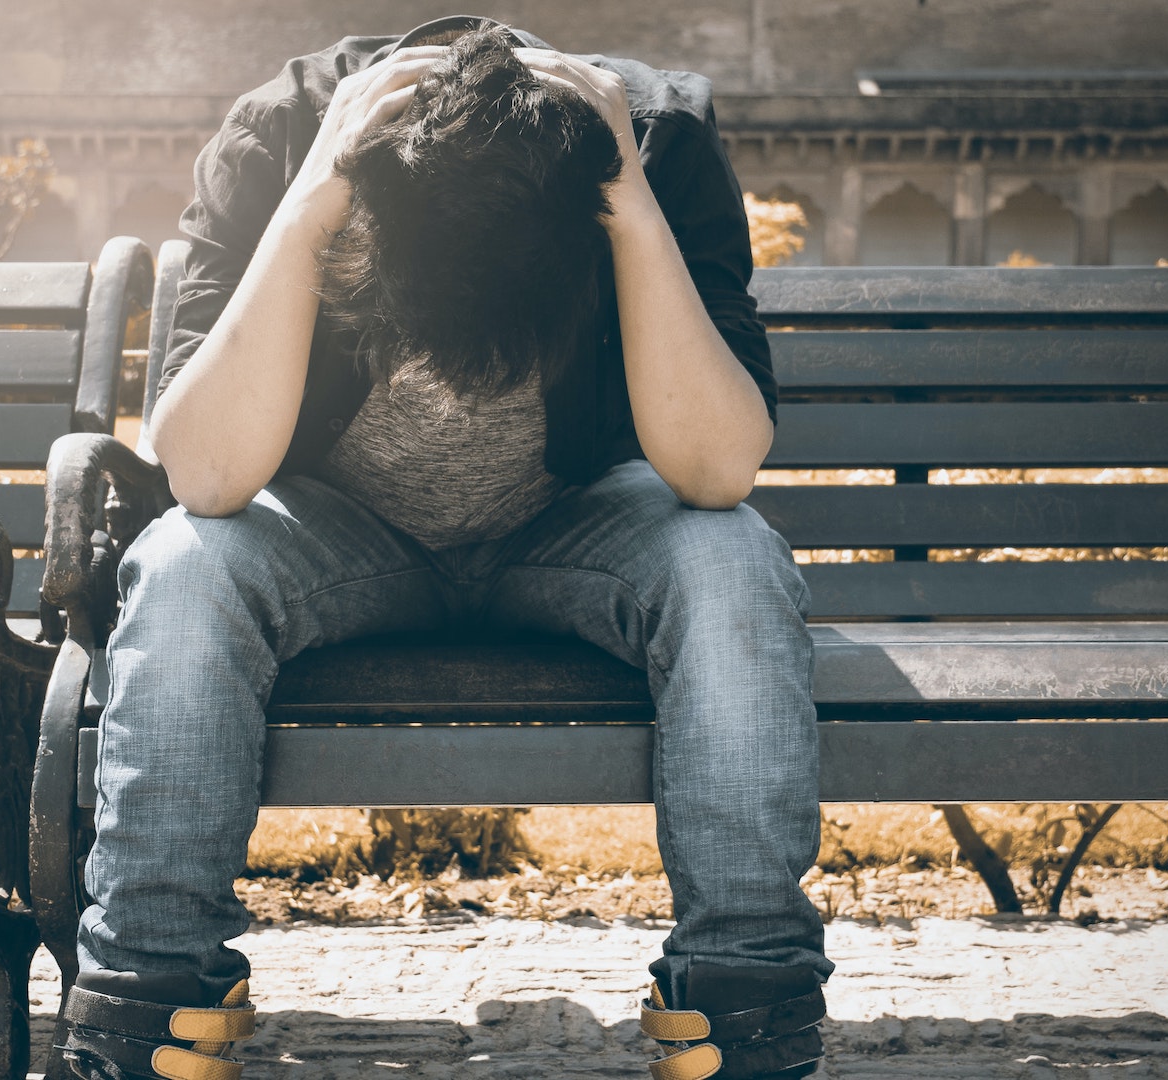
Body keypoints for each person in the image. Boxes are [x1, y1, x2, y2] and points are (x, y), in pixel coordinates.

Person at [57, 17, 831, 1080]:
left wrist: (632, 214)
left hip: (574, 524)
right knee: (187, 567)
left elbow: (716, 472)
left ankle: (747, 989)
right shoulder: (282, 135)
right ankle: (147, 988)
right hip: (336, 533)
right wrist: (310, 208)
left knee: (731, 558)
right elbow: (203, 476)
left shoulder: (659, 145)